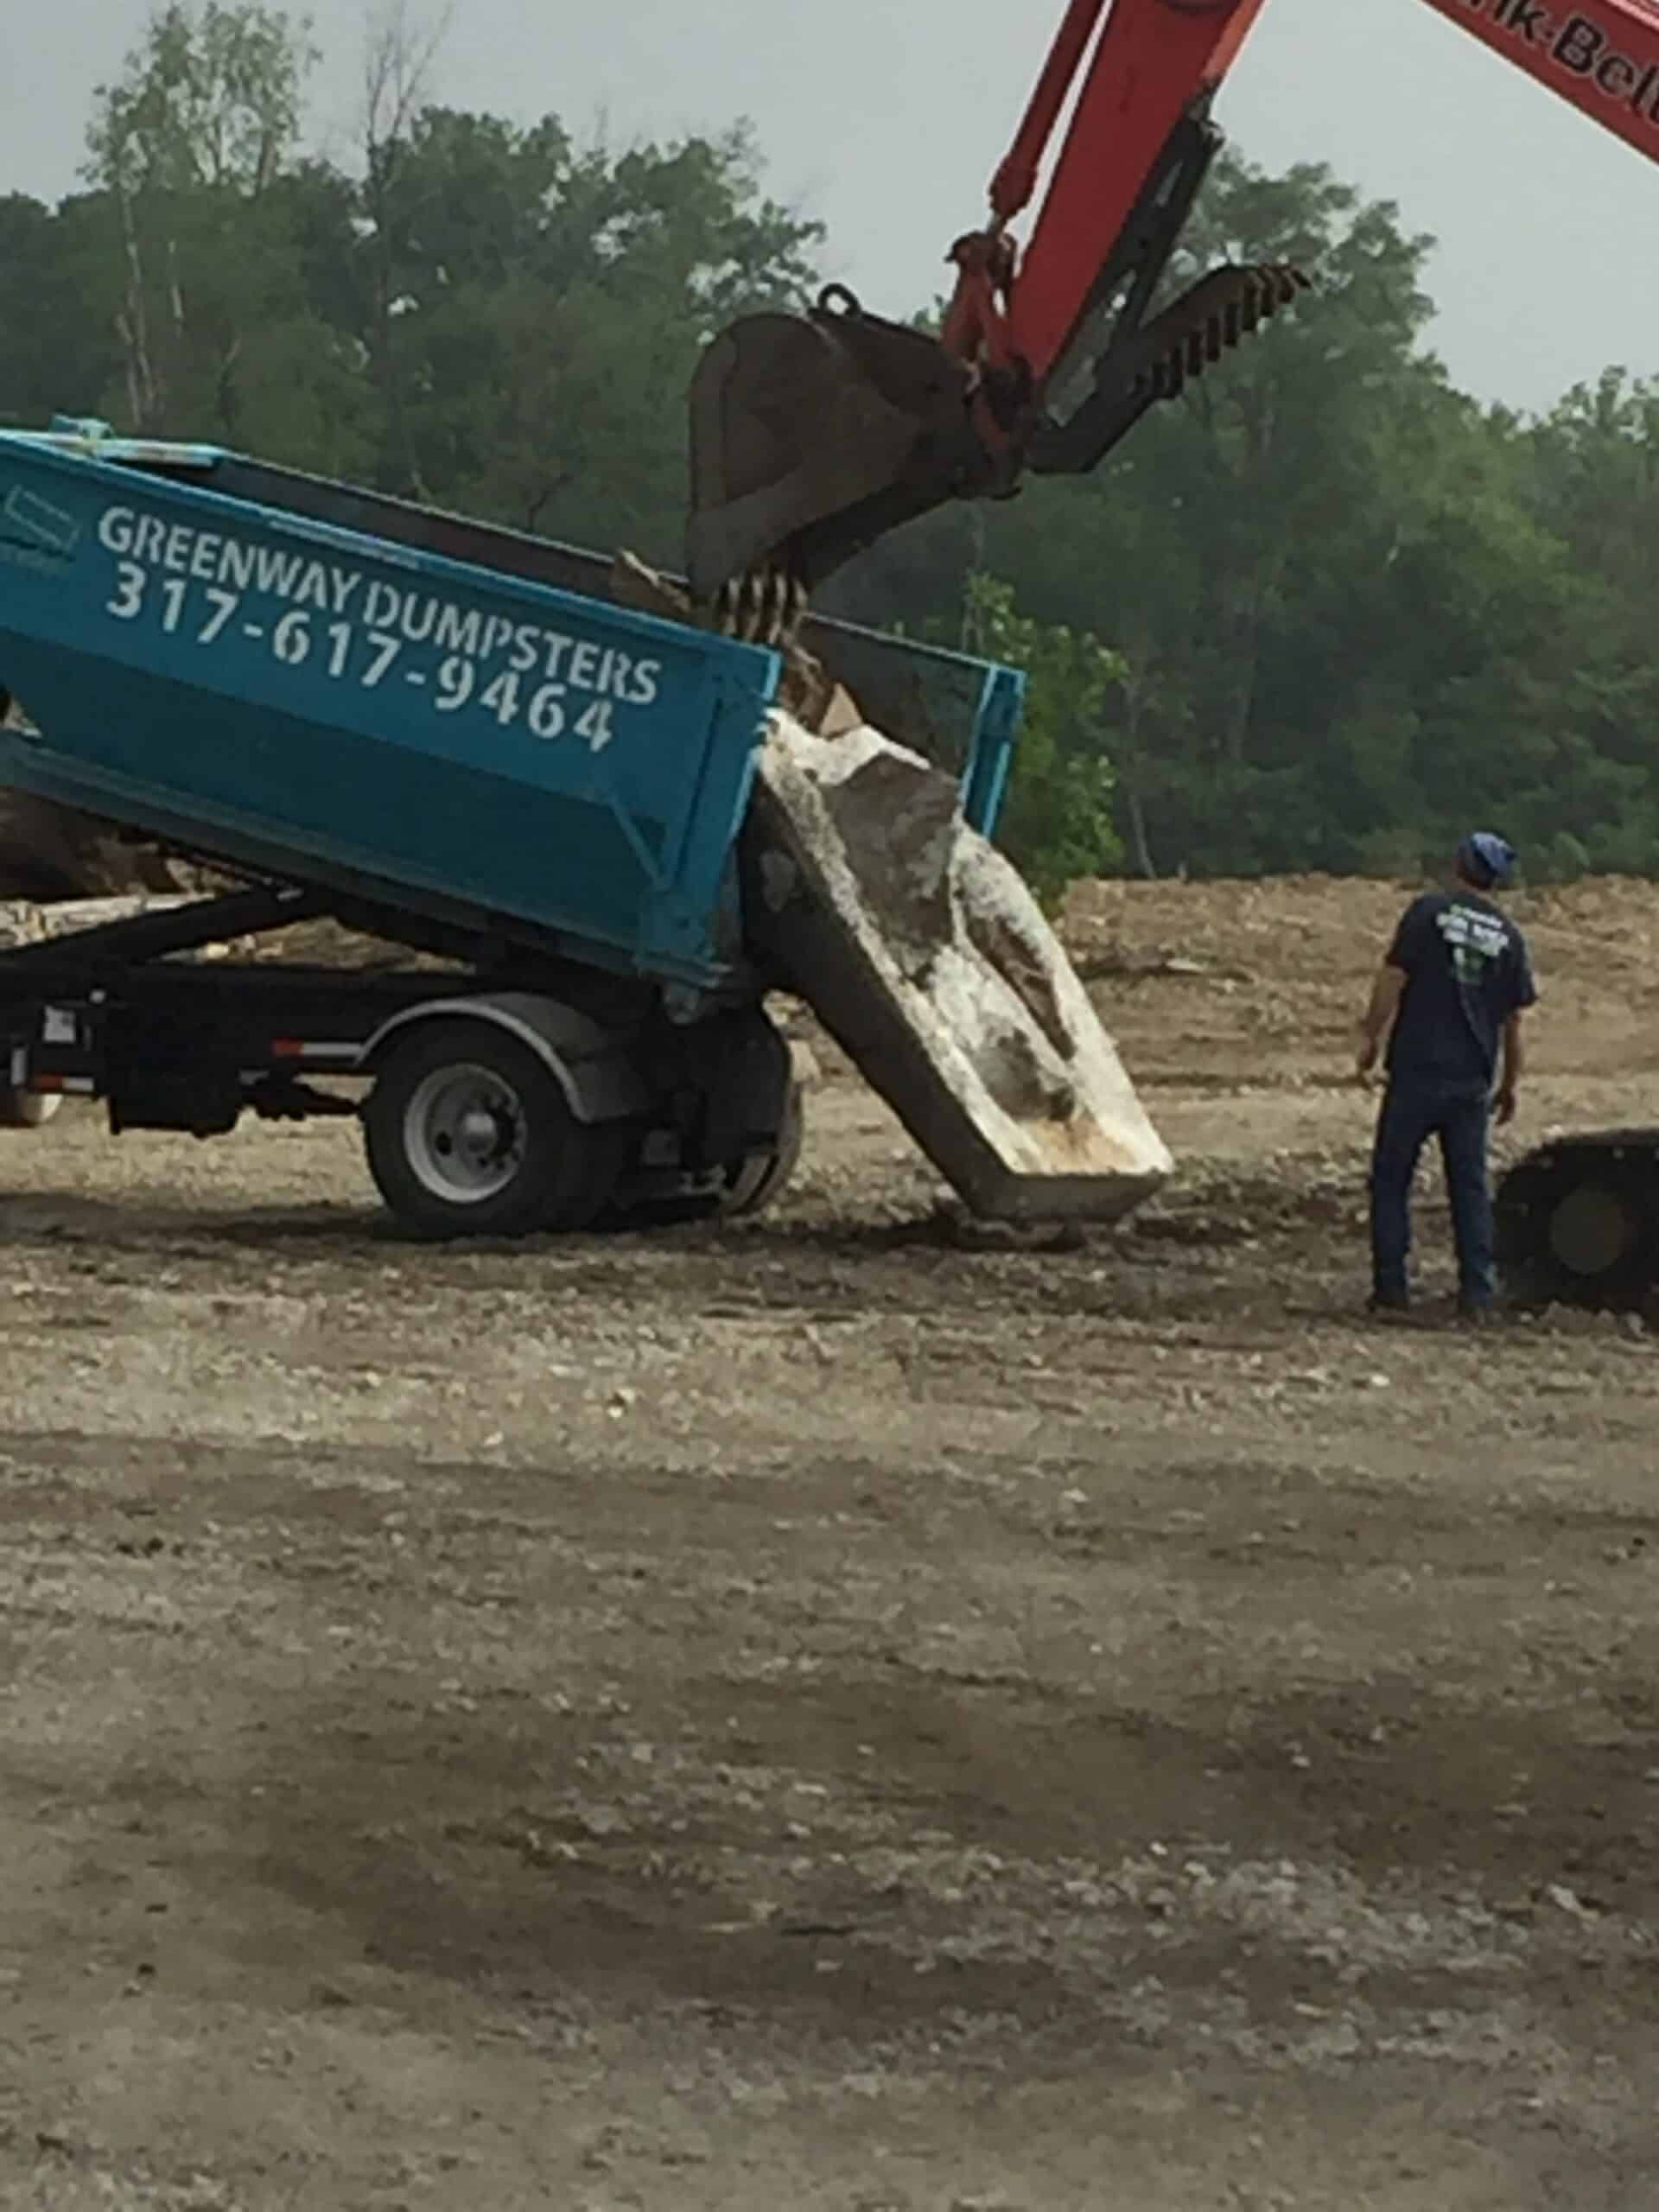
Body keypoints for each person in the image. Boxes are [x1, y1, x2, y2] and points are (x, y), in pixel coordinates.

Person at [1356, 831, 1537, 1320]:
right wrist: (1510, 1085)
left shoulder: (1426, 914)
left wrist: (1370, 1040)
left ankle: (1391, 1290)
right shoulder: (1511, 939)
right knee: (1470, 1190)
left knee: (1392, 1180)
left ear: (1459, 864)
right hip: (1471, 1083)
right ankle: (1476, 1294)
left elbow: (1392, 979)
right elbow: (1514, 1024)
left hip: (1416, 1070)